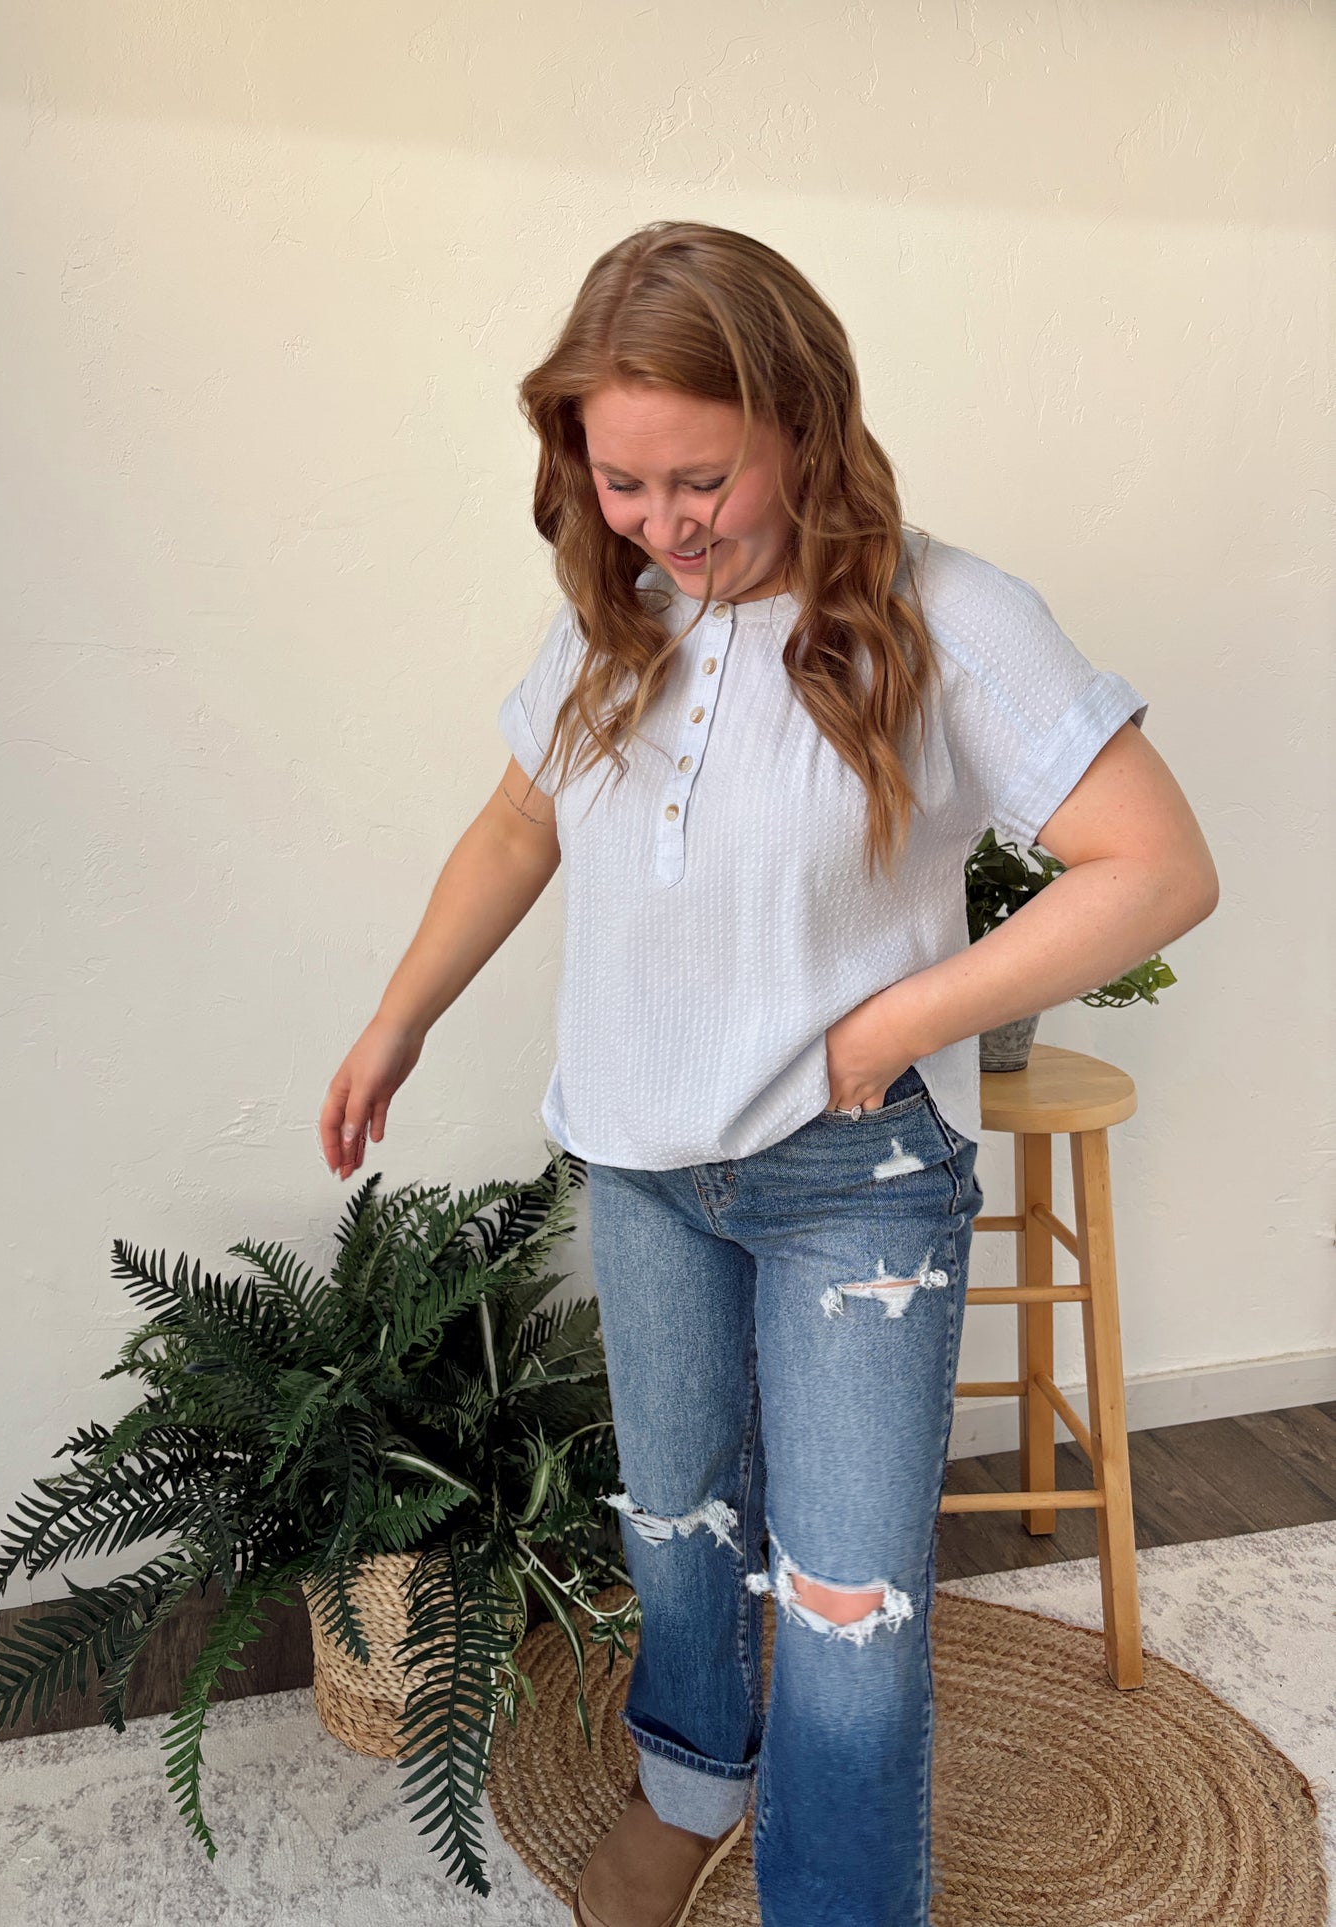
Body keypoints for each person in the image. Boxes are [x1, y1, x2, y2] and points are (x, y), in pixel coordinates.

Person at [318, 221, 1219, 1927]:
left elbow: (1153, 867)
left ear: (801, 415)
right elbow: (519, 824)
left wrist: (888, 1028)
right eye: (622, 483)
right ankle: (687, 1785)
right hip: (642, 1164)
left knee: (848, 1601)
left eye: (701, 478)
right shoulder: (621, 618)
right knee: (672, 1525)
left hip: (850, 1191)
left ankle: (840, 1898)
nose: (663, 523)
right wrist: (401, 1016)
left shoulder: (949, 614)